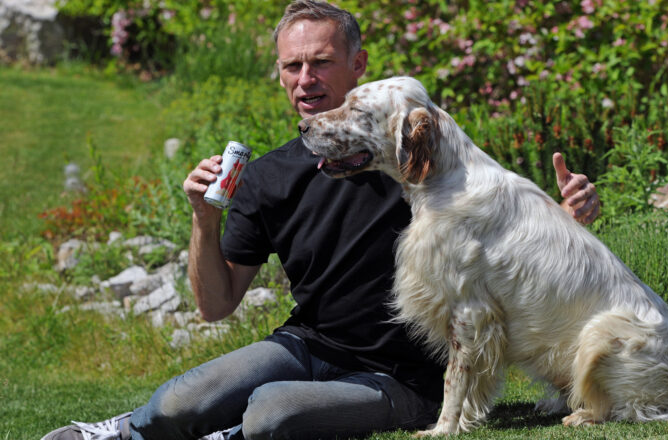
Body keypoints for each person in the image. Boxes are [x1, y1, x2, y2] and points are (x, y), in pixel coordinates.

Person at [41, 1, 600, 439]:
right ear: (280, 75)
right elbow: (215, 306)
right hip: (306, 346)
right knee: (173, 405)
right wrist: (202, 220)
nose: (305, 78)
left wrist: (565, 216)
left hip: (401, 377)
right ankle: (124, 431)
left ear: (357, 65)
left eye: (321, 62)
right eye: (293, 65)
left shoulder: (415, 152)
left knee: (271, 415)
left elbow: (498, 229)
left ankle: (226, 435)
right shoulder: (266, 176)